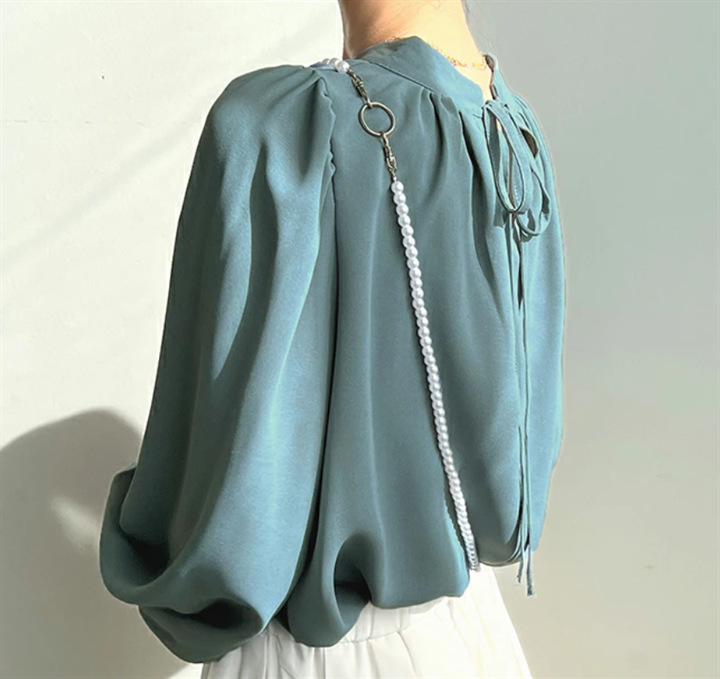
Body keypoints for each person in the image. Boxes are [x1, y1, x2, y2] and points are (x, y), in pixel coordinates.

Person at [98, 0, 566, 677]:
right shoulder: (514, 127)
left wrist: (153, 558)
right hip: (474, 632)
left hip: (314, 652)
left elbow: (228, 513)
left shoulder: (281, 122)